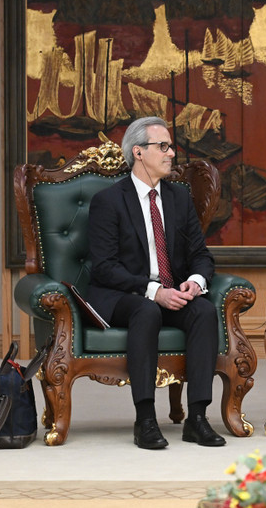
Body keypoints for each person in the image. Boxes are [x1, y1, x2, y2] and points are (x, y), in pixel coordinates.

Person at [86, 116, 224, 449]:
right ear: (138, 152)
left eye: (170, 146)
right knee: (146, 312)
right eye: (162, 146)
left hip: (170, 291)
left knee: (203, 311)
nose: (171, 154)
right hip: (124, 295)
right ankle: (145, 420)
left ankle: (197, 419)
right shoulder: (108, 201)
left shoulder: (178, 198)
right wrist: (154, 292)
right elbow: (104, 268)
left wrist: (193, 281)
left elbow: (201, 256)